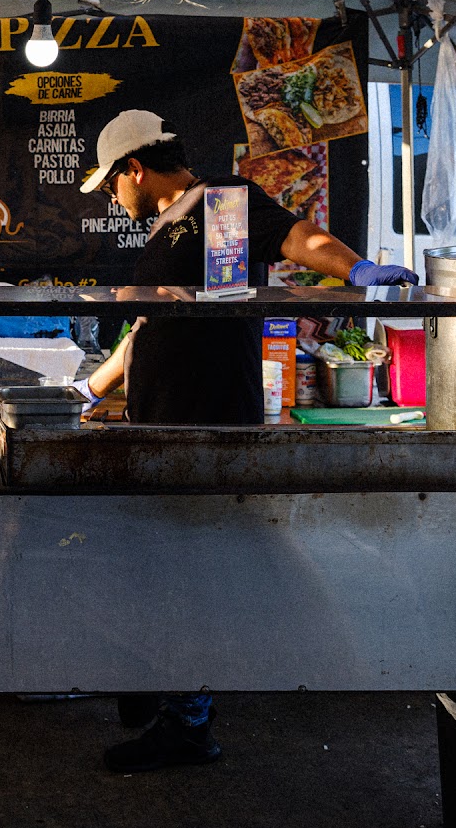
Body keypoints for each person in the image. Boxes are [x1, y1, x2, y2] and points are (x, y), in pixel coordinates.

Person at [75, 108, 416, 773]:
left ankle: (189, 721)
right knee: (164, 562)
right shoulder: (173, 230)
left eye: (112, 185)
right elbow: (153, 325)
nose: (115, 199)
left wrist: (357, 268)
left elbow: (300, 238)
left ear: (134, 169)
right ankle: (162, 686)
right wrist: (97, 389)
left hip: (206, 419)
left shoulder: (221, 205)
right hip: (162, 421)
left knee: (194, 571)